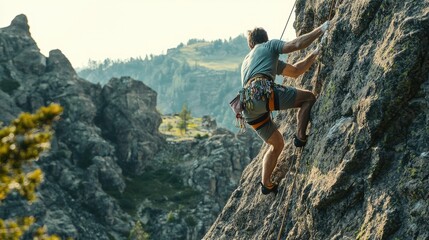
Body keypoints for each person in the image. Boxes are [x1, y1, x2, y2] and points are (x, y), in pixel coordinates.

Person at [240, 21, 329, 195]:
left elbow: (295, 71)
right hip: (262, 92)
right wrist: (321, 29)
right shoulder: (269, 46)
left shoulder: (247, 61)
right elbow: (295, 44)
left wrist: (316, 53)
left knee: (276, 143)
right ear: (265, 40)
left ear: (251, 44)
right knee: (308, 98)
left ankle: (266, 184)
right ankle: (300, 137)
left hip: (246, 105)